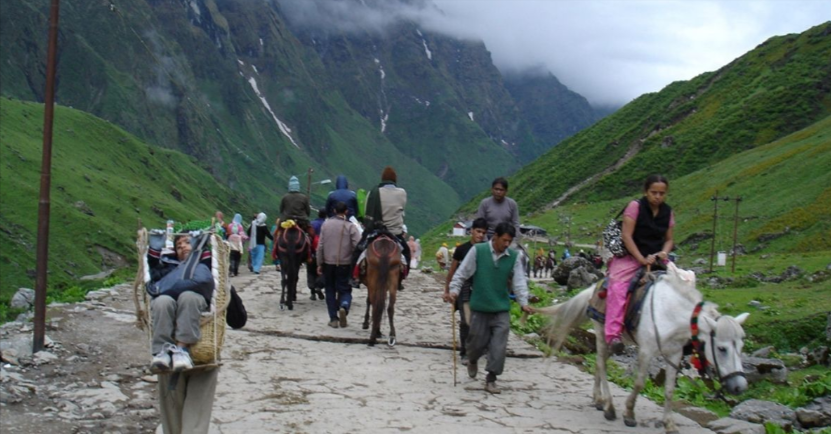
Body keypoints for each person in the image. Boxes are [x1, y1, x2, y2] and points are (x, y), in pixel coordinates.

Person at [448, 222, 534, 394]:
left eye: (509, 241)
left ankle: (491, 378)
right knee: (476, 344)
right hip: (480, 308)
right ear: (495, 237)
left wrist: (523, 302)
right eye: (504, 240)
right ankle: (472, 359)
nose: (506, 244)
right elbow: (462, 272)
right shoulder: (478, 251)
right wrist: (454, 290)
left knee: (499, 345)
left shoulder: (514, 257)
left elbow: (519, 282)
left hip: (500, 308)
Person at [148, 234, 219, 434]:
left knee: (189, 297)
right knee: (162, 302)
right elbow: (152, 275)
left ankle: (182, 348)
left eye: (188, 242)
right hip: (169, 355)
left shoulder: (209, 269)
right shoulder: (169, 270)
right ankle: (164, 351)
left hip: (203, 351)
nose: (184, 247)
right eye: (179, 246)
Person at [605, 174, 675, 355]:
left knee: (683, 283)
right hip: (632, 257)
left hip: (657, 258)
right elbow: (626, 236)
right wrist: (641, 259)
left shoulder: (668, 212)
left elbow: (669, 239)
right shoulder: (635, 207)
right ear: (646, 192)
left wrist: (664, 252)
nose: (657, 197)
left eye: (662, 193)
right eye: (654, 192)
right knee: (618, 287)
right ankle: (613, 335)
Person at [442, 217, 488, 364]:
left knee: (481, 321)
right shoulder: (461, 249)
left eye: (483, 233)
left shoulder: (487, 250)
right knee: (465, 321)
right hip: (464, 288)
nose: (480, 235)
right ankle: (465, 352)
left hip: (481, 289)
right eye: (478, 231)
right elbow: (452, 271)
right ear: (471, 231)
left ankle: (481, 347)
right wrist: (447, 290)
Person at [354, 166, 410, 285]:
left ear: (382, 179)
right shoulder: (402, 193)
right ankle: (402, 277)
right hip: (394, 233)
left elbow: (367, 212)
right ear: (394, 179)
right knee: (407, 253)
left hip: (375, 231)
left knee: (357, 251)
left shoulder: (373, 193)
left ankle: (354, 276)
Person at [317, 202, 362, 328]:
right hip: (345, 264)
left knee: (330, 290)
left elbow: (320, 246)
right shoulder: (350, 226)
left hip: (328, 263)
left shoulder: (326, 225)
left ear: (334, 211)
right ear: (346, 211)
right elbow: (358, 245)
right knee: (345, 289)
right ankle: (344, 306)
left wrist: (319, 263)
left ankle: (333, 319)